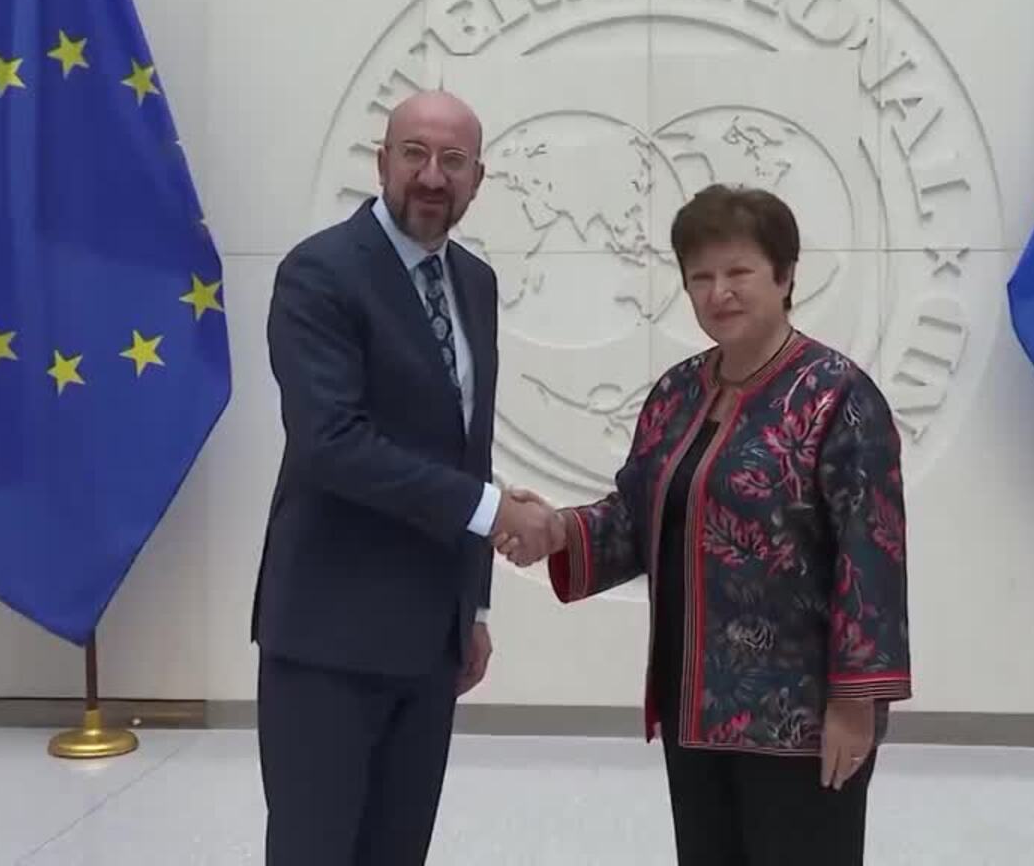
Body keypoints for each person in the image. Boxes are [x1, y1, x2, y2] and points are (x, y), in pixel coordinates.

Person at [500, 184, 911, 866]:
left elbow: (872, 556)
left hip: (799, 717)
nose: (719, 292)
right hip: (692, 704)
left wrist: (855, 702)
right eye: (701, 277)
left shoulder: (837, 396)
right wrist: (557, 529)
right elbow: (638, 517)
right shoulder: (675, 393)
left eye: (739, 271)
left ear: (785, 276)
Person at [254, 90, 556, 866]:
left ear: (477, 178)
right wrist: (492, 512)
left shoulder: (475, 283)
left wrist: (472, 607)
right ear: (382, 161)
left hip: (429, 641)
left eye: (453, 160)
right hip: (328, 637)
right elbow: (331, 444)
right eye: (414, 154)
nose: (431, 176)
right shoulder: (319, 273)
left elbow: (466, 447)